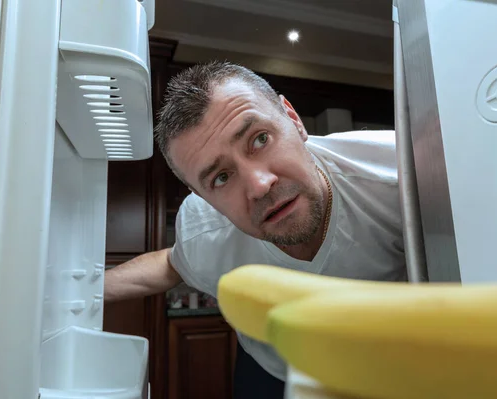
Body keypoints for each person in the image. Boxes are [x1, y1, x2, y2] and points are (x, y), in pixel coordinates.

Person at [104, 61, 407, 398]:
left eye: (260, 139)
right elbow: (173, 264)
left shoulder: (402, 176)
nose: (260, 186)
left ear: (293, 119)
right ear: (203, 198)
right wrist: (80, 290)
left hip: (390, 365)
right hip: (272, 368)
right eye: (220, 177)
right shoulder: (204, 229)